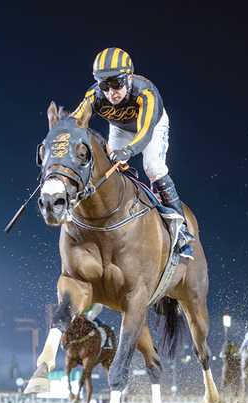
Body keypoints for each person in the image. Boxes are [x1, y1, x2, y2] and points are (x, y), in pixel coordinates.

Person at [72, 47, 194, 259]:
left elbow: (145, 132)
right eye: (104, 85)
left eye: (116, 83)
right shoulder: (94, 95)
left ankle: (181, 228)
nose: (110, 92)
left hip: (152, 125)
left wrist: (127, 151)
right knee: (109, 168)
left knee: (153, 167)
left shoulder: (146, 92)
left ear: (129, 78)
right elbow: (73, 122)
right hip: (120, 127)